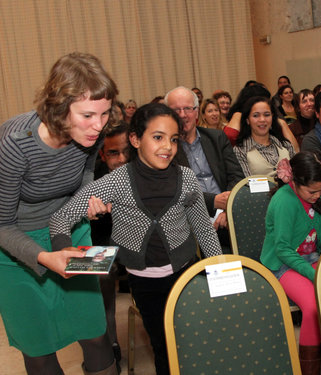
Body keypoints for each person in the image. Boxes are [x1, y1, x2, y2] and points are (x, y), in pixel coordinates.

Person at [49, 103, 223, 375]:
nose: (167, 146)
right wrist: (63, 251)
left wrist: (218, 274)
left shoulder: (187, 178)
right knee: (165, 347)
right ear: (135, 139)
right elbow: (60, 218)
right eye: (157, 137)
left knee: (195, 342)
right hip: (146, 282)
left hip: (187, 274)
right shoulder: (116, 181)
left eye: (173, 139)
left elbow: (203, 228)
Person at [0, 52, 119, 375]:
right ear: (58, 108)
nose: (99, 125)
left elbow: (83, 178)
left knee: (94, 334)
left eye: (105, 113)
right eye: (88, 115)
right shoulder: (15, 143)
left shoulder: (91, 133)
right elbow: (2, 225)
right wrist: (45, 256)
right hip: (14, 246)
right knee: (38, 349)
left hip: (68, 229)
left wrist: (86, 201)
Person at [260, 151, 321, 375]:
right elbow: (282, 249)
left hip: (312, 258)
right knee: (313, 306)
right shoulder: (284, 201)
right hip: (281, 264)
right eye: (313, 191)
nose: (319, 195)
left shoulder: (320, 193)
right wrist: (316, 274)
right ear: (295, 181)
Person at [165, 86, 244, 250]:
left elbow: (236, 176)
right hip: (188, 220)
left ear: (196, 112)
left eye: (187, 108)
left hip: (226, 216)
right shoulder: (164, 148)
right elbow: (172, 189)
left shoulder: (216, 138)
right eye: (176, 110)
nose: (182, 115)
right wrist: (213, 201)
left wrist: (227, 210)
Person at [91, 120, 130, 371]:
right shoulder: (91, 177)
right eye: (113, 153)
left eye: (126, 151)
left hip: (138, 246)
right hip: (101, 245)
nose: (121, 159)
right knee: (98, 274)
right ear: (103, 155)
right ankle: (109, 346)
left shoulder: (144, 171)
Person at [224, 84, 299, 151]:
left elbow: (295, 150)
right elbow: (229, 137)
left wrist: (282, 124)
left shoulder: (273, 121)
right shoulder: (239, 115)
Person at [234, 96, 295, 177]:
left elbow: (298, 176)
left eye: (267, 115)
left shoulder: (285, 145)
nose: (262, 120)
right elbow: (247, 184)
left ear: (272, 118)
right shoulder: (240, 150)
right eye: (256, 116)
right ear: (247, 120)